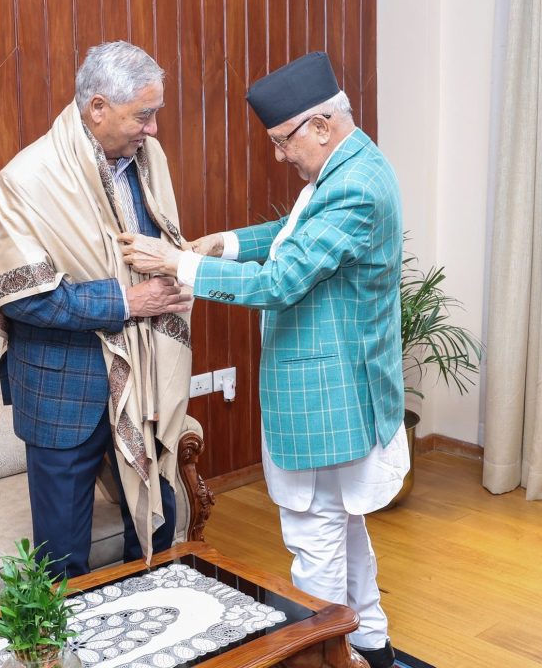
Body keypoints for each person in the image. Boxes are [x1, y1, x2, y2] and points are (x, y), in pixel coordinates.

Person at [118, 51, 407, 668]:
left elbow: (280, 280)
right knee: (343, 526)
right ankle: (371, 647)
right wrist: (222, 244)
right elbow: (294, 232)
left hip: (328, 397)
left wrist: (178, 264)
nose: (279, 155)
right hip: (342, 390)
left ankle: (323, 654)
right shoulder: (352, 164)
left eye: (282, 141)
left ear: (320, 125)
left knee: (315, 536)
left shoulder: (353, 186)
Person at [0, 41, 193, 580]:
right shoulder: (27, 180)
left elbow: (161, 245)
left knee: (156, 530)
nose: (153, 129)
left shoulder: (149, 161)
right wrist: (127, 301)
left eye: (155, 114)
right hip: (63, 395)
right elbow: (24, 296)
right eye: (142, 115)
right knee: (63, 560)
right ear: (98, 107)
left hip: (146, 382)